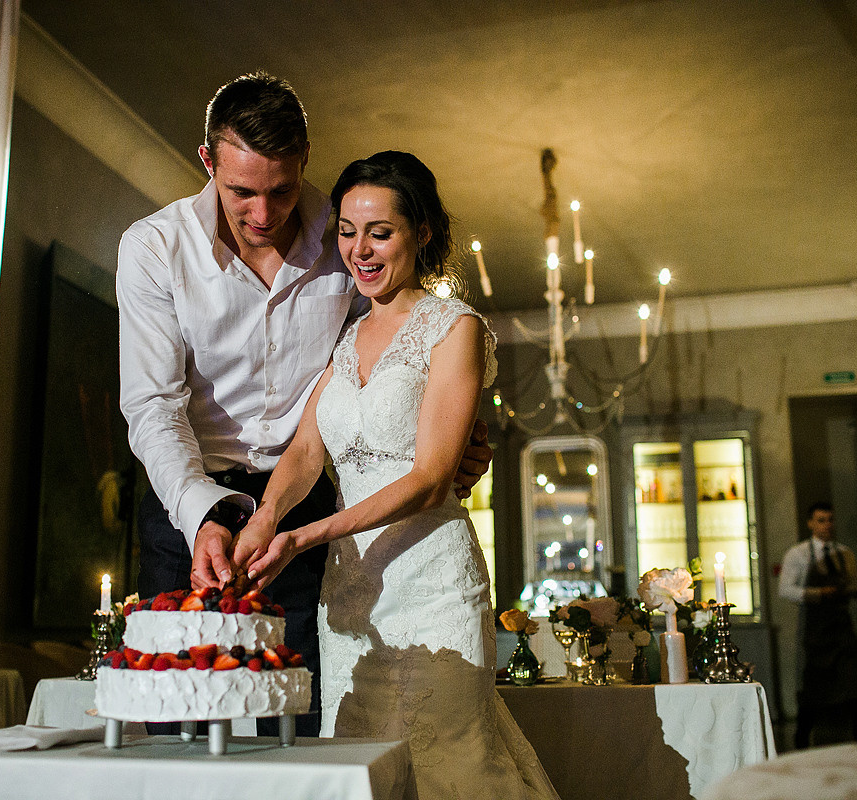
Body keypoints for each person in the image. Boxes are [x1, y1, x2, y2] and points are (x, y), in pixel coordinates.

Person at [116, 74, 490, 737]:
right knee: (178, 730)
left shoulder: (346, 239)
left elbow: (401, 354)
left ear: (305, 160)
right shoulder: (155, 248)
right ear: (207, 161)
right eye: (242, 192)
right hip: (189, 505)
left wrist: (460, 432)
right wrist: (202, 516)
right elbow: (153, 406)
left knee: (303, 728)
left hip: (307, 513)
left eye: (282, 190)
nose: (263, 214)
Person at [232, 151, 559, 799]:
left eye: (379, 232)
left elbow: (433, 477)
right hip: (353, 591)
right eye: (347, 232)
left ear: (422, 232)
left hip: (433, 586)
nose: (360, 250)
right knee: (361, 770)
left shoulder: (455, 329)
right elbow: (305, 451)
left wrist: (305, 536)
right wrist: (266, 518)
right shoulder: (346, 337)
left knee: (450, 768)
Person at [779, 501, 857, 748]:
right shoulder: (798, 554)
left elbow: (852, 584)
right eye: (821, 520)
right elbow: (785, 589)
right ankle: (801, 741)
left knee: (856, 684)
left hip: (842, 628)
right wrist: (818, 593)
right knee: (814, 687)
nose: (827, 525)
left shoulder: (845, 553)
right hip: (816, 631)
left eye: (831, 520)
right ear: (810, 523)